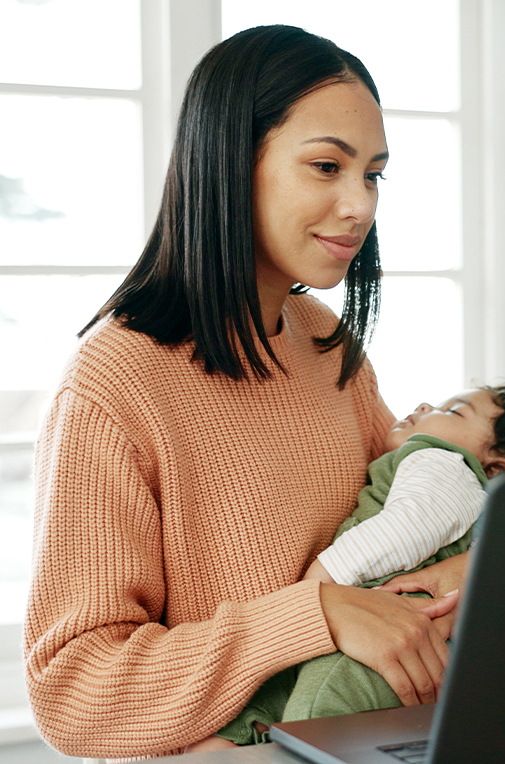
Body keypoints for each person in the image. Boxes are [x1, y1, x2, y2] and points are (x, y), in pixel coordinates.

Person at [23, 26, 464, 761]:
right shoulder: (116, 383)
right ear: (231, 163)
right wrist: (313, 614)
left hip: (357, 739)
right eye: (327, 166)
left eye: (374, 175)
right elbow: (77, 692)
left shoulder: (323, 342)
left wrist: (463, 575)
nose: (359, 205)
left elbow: (409, 529)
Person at [185, 385, 505, 752]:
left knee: (315, 722)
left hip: (376, 637)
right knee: (247, 716)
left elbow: (409, 526)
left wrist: (318, 584)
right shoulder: (459, 484)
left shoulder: (447, 463)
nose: (423, 406)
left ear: (493, 470)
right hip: (361, 634)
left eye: (452, 410)